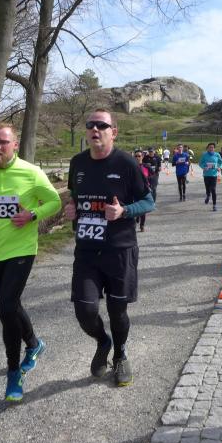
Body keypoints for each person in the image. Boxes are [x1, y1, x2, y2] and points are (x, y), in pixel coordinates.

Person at [0, 122, 62, 401]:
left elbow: (54, 202)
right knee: (11, 305)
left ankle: (13, 372)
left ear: (15, 145)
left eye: (3, 142)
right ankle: (34, 344)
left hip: (22, 250)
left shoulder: (31, 173)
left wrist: (32, 215)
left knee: (6, 307)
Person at [64, 108, 155, 386]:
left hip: (119, 250)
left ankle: (120, 355)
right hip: (87, 251)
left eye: (101, 125)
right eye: (90, 124)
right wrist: (71, 208)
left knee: (118, 311)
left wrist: (124, 211)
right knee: (85, 310)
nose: (95, 129)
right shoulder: (78, 163)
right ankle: (103, 342)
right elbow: (73, 195)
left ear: (113, 132)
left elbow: (148, 201)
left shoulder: (126, 163)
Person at [198, 142, 222, 211]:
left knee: (213, 189)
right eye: (210, 147)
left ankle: (214, 205)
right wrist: (203, 167)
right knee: (207, 189)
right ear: (208, 148)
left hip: (214, 175)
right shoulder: (204, 155)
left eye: (212, 147)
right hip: (206, 175)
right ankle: (208, 195)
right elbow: (200, 163)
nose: (211, 148)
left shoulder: (217, 155)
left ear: (214, 148)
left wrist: (220, 167)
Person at [134, 150, 151, 231]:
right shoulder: (132, 166)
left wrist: (150, 185)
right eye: (136, 156)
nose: (137, 158)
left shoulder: (146, 166)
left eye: (139, 156)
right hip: (134, 191)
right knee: (135, 208)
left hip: (144, 190)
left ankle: (142, 225)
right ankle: (136, 220)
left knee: (143, 209)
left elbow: (153, 175)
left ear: (142, 157)